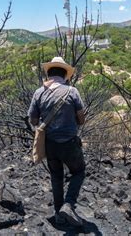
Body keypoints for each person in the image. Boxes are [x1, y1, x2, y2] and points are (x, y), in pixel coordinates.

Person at [27, 57, 86, 226]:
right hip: (69, 142)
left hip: (50, 144)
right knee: (79, 172)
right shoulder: (72, 91)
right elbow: (81, 119)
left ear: (49, 74)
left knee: (56, 176)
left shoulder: (39, 92)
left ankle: (59, 213)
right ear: (65, 75)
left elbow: (32, 119)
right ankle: (68, 205)